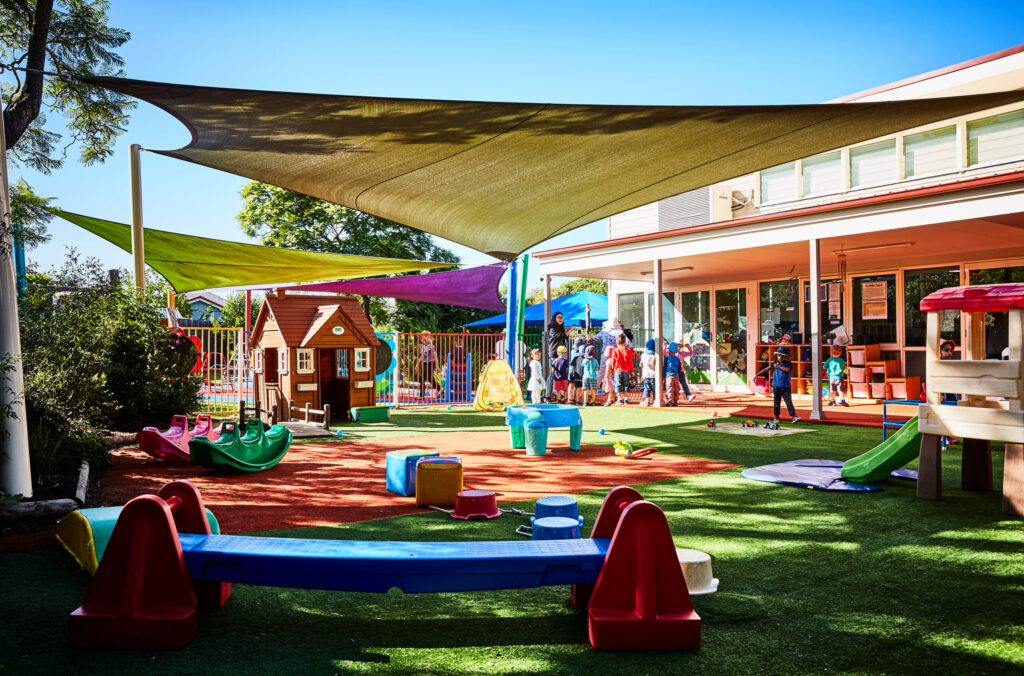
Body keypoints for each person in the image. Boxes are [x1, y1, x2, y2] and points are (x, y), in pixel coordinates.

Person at [756, 345, 800, 424]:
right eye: (778, 355)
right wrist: (758, 374)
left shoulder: (788, 364)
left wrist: (779, 367)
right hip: (776, 386)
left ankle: (794, 416)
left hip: (786, 386)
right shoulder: (775, 363)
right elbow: (767, 368)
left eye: (782, 356)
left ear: (786, 357)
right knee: (776, 403)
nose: (780, 357)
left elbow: (787, 370)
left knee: (788, 402)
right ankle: (776, 417)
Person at [545, 312, 570, 400]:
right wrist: (567, 332)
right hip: (554, 355)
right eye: (559, 317)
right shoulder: (552, 328)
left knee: (562, 375)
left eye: (562, 317)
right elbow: (558, 337)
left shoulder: (561, 328)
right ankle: (547, 396)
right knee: (552, 375)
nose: (561, 319)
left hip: (561, 356)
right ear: (554, 318)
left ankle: (559, 395)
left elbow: (564, 339)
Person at [609, 333, 635, 406]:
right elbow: (630, 362)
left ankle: (619, 399)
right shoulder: (628, 351)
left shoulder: (615, 351)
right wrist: (632, 371)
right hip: (626, 370)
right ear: (625, 342)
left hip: (617, 370)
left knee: (618, 384)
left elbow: (613, 362)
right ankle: (626, 399)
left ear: (617, 342)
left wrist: (613, 369)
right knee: (626, 384)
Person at [416, 330, 437, 400]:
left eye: (423, 336)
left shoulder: (431, 345)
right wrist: (417, 364)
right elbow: (422, 356)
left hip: (430, 363)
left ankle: (421, 395)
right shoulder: (422, 345)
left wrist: (437, 366)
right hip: (425, 363)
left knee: (422, 378)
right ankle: (441, 390)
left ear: (427, 337)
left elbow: (435, 356)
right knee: (431, 379)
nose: (421, 337)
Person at [663, 342, 682, 406]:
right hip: (676, 375)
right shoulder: (677, 359)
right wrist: (678, 374)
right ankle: (675, 402)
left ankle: (669, 401)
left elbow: (664, 367)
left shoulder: (667, 358)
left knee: (670, 388)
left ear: (669, 350)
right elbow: (679, 368)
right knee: (676, 389)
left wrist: (663, 377)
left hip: (669, 376)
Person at [640, 339, 657, 407]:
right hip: (654, 375)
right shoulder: (655, 355)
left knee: (647, 388)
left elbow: (641, 364)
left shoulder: (643, 355)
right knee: (655, 389)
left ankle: (647, 401)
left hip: (646, 374)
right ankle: (655, 400)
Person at [569, 338, 586, 405]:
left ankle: (572, 398)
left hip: (574, 372)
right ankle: (578, 399)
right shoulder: (584, 358)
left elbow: (572, 365)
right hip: (580, 374)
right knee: (579, 387)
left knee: (575, 386)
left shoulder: (573, 353)